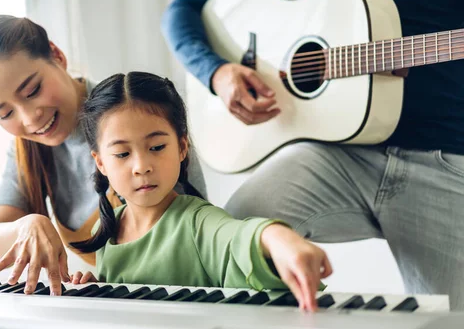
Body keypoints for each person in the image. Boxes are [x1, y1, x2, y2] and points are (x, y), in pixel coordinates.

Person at [161, 0, 464, 310]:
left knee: (451, 317)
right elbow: (181, 9)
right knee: (236, 235)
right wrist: (217, 72)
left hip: (447, 159)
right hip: (338, 155)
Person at [0, 15, 208, 296]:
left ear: (57, 55)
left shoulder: (131, 117)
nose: (29, 118)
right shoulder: (26, 150)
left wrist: (110, 284)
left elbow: (184, 244)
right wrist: (26, 225)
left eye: (32, 90)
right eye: (5, 113)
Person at [67, 71, 332, 311]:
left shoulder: (197, 221)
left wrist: (277, 237)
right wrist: (99, 288)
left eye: (157, 147)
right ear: (100, 162)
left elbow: (235, 236)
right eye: (122, 153)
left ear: (182, 147)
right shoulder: (105, 230)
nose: (141, 167)